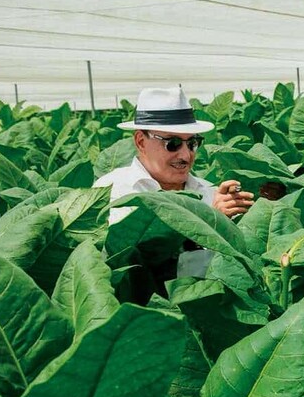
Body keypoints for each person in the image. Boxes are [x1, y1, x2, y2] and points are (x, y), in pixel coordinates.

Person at [95, 86, 253, 277]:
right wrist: (207, 223)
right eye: (173, 143)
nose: (186, 155)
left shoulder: (210, 193)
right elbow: (130, 263)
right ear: (141, 142)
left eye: (192, 143)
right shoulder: (113, 191)